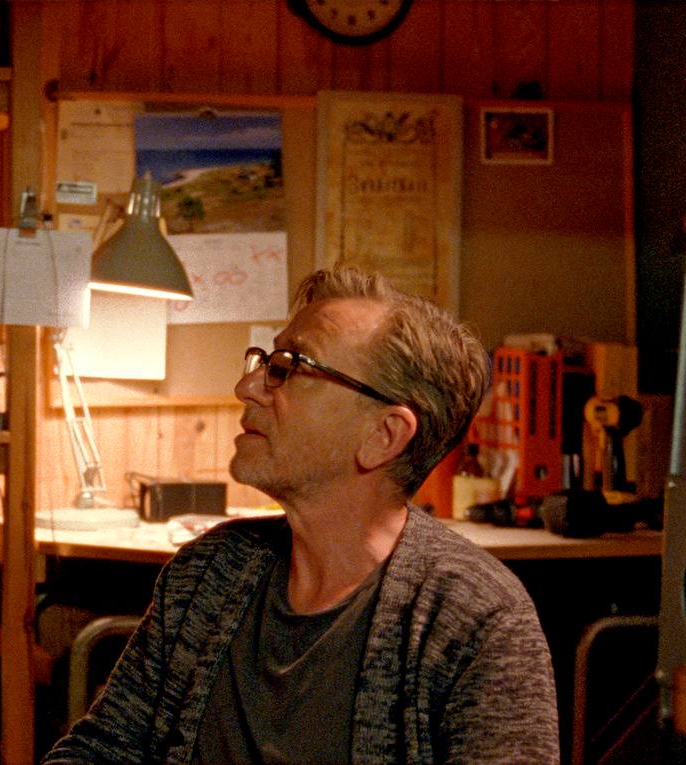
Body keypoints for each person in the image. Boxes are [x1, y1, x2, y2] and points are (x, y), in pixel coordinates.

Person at [44, 267, 558, 764]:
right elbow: (101, 749)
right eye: (267, 361)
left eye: (290, 367)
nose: (248, 387)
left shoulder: (477, 620)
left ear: (384, 435)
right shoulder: (210, 571)